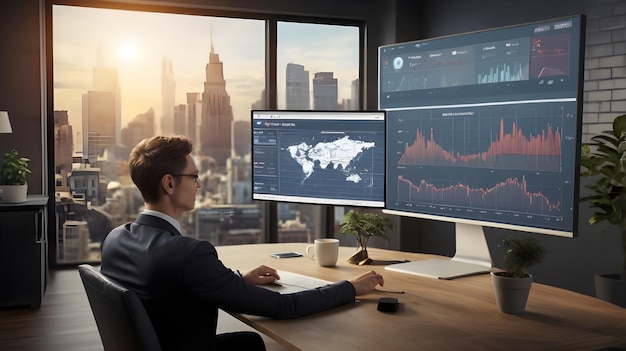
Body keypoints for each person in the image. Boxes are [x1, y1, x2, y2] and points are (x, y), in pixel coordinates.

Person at [100, 135, 385, 351]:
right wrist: (350, 287)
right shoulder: (189, 253)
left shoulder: (115, 239)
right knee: (252, 343)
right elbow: (283, 307)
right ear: (169, 184)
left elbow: (170, 285)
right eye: (194, 176)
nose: (199, 184)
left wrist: (239, 280)